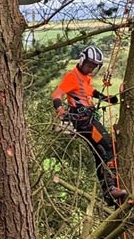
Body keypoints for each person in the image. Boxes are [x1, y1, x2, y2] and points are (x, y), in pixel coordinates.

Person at [52, 46, 128, 206]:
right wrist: (60, 109)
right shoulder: (72, 76)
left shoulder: (85, 77)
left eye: (94, 66)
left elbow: (90, 91)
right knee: (107, 145)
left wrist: (107, 98)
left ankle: (109, 192)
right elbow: (57, 93)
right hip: (83, 121)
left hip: (88, 118)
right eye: (88, 65)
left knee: (100, 152)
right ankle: (110, 188)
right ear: (82, 61)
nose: (90, 68)